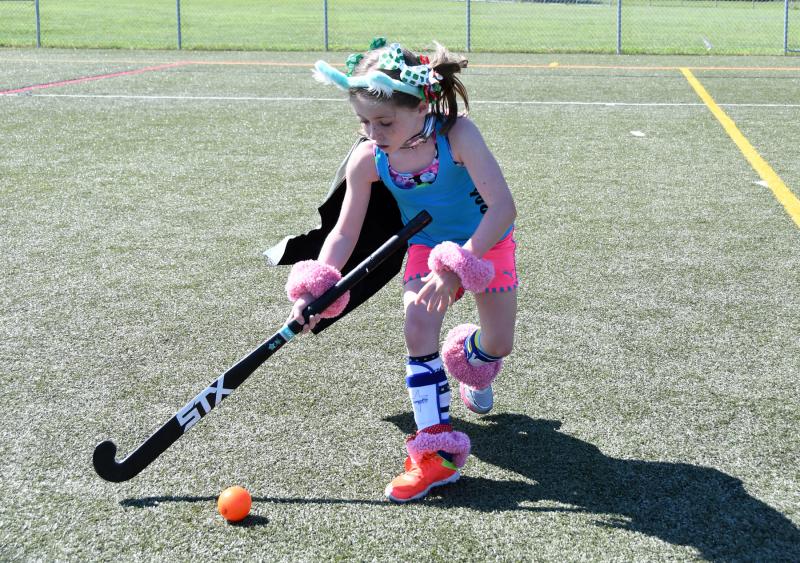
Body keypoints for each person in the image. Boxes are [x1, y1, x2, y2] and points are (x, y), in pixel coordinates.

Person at [284, 37, 518, 503]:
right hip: (427, 248)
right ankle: (435, 453)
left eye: (384, 121)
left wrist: (458, 265)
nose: (372, 132)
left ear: (421, 105)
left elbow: (503, 208)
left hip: (486, 243)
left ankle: (469, 357)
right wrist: (318, 287)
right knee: (416, 324)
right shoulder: (368, 158)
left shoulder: (458, 136)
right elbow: (344, 234)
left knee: (497, 345)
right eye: (364, 121)